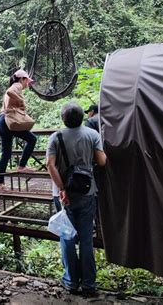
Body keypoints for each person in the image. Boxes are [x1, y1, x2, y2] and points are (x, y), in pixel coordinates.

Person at [46, 102, 106, 297]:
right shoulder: (93, 135)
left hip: (63, 196)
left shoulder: (56, 137)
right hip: (87, 193)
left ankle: (71, 282)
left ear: (63, 118)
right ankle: (89, 284)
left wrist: (62, 188)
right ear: (83, 117)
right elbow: (102, 161)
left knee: (68, 237)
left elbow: (50, 165)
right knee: (86, 239)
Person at [0, 69, 37, 188]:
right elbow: (9, 92)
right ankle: (22, 165)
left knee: (6, 153)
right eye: (27, 81)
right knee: (32, 139)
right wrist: (21, 101)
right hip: (8, 121)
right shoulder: (17, 85)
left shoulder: (16, 86)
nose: (27, 84)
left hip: (2, 121)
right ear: (22, 79)